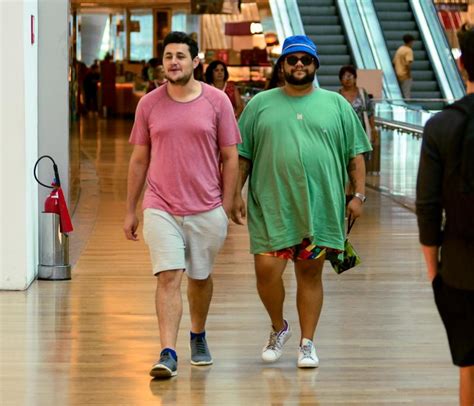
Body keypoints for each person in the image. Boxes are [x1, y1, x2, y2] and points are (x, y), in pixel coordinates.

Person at [232, 35, 372, 368]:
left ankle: (307, 343)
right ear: (281, 65)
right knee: (266, 271)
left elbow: (356, 154)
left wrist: (359, 194)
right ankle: (279, 326)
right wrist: (233, 193)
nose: (298, 65)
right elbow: (242, 156)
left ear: (314, 66)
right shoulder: (260, 104)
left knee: (310, 274)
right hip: (271, 207)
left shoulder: (336, 105)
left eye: (305, 60)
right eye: (292, 59)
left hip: (319, 208)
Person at [124, 31, 241, 379]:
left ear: (195, 62)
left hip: (207, 206)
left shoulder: (217, 102)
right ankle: (168, 352)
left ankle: (198, 334)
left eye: (180, 56)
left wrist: (225, 204)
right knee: (169, 276)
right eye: (168, 56)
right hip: (161, 206)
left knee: (200, 278)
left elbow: (230, 157)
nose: (174, 62)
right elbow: (139, 159)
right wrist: (131, 209)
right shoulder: (149, 104)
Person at [416, 24, 474, 406]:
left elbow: (427, 206)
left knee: (470, 363)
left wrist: (435, 269)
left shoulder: (443, 125)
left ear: (463, 64)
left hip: (461, 265)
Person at [393, 34, 415, 100]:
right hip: (405, 74)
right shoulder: (409, 50)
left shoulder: (400, 49)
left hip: (398, 73)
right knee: (406, 93)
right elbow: (408, 63)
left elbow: (394, 62)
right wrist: (409, 74)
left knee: (400, 93)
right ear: (411, 41)